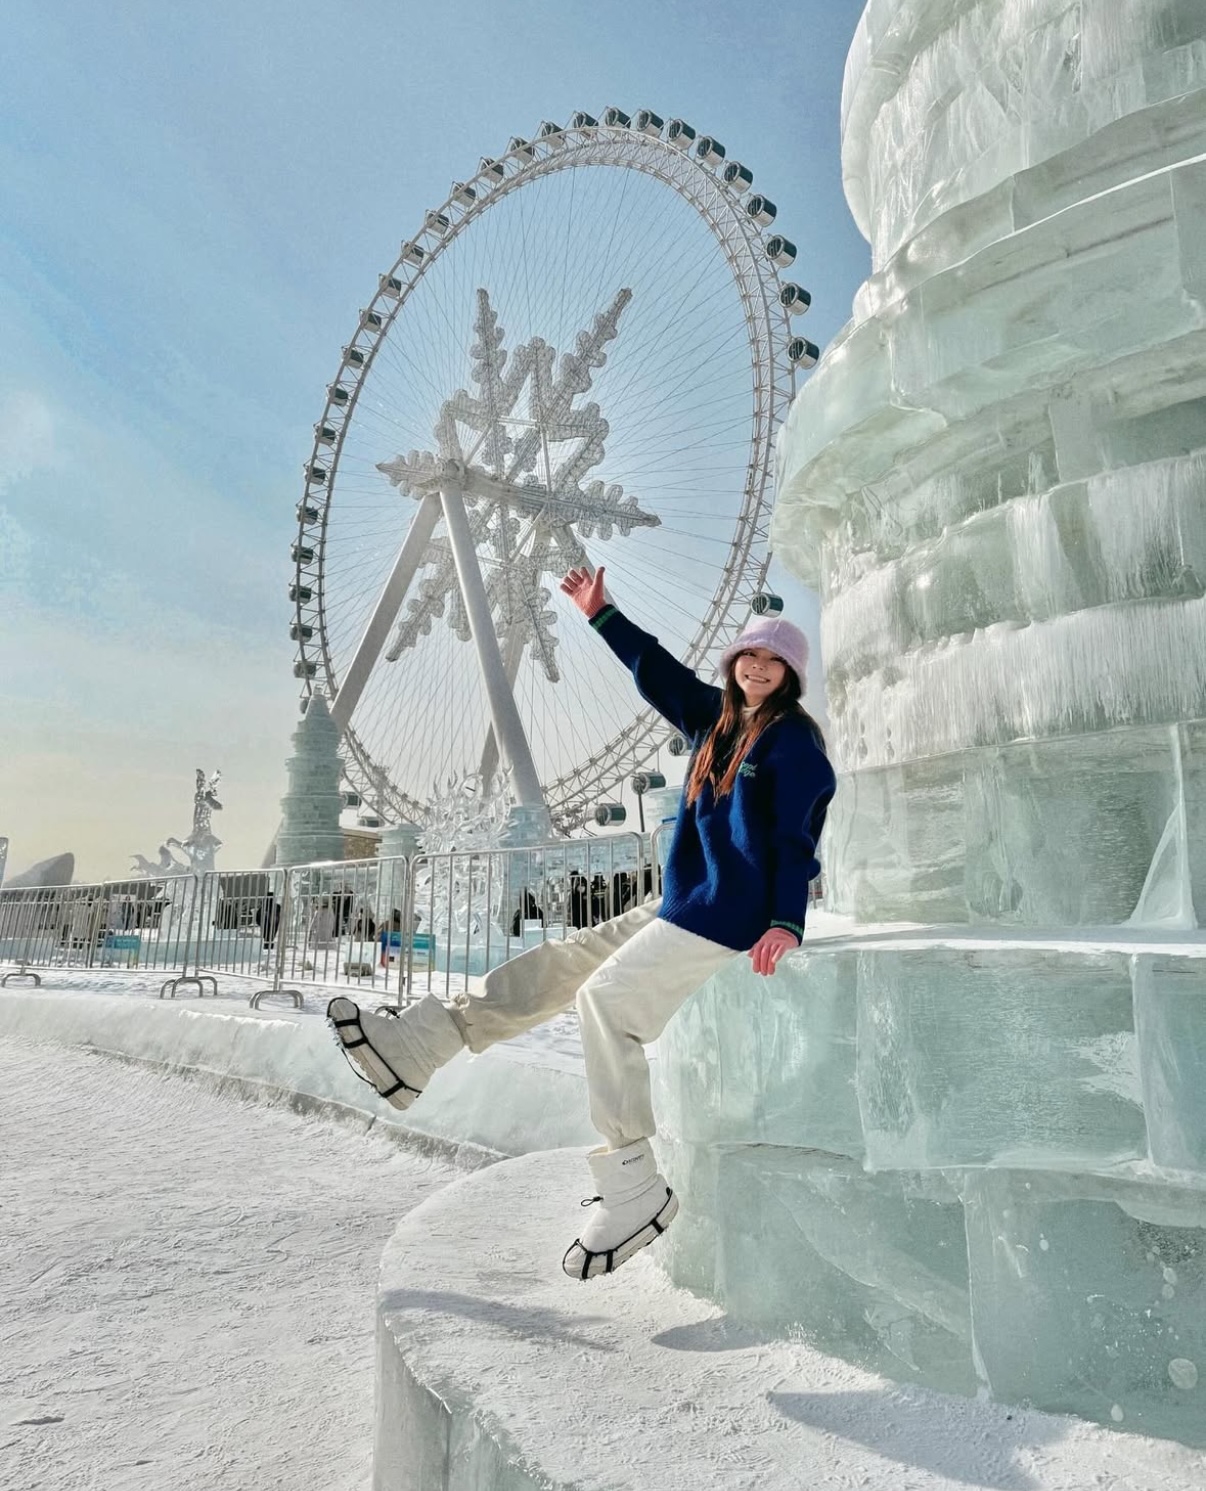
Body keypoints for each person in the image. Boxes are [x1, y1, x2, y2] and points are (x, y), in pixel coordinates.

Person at [328, 565, 835, 1281]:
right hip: (684, 900)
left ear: (791, 674)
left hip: (730, 915)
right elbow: (652, 667)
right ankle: (423, 1042)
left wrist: (786, 918)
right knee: (567, 961)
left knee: (605, 1001)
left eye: (773, 658)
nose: (758, 666)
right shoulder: (713, 722)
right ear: (735, 665)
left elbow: (794, 843)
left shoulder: (795, 747)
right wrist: (602, 612)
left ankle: (634, 1182)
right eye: (749, 655)